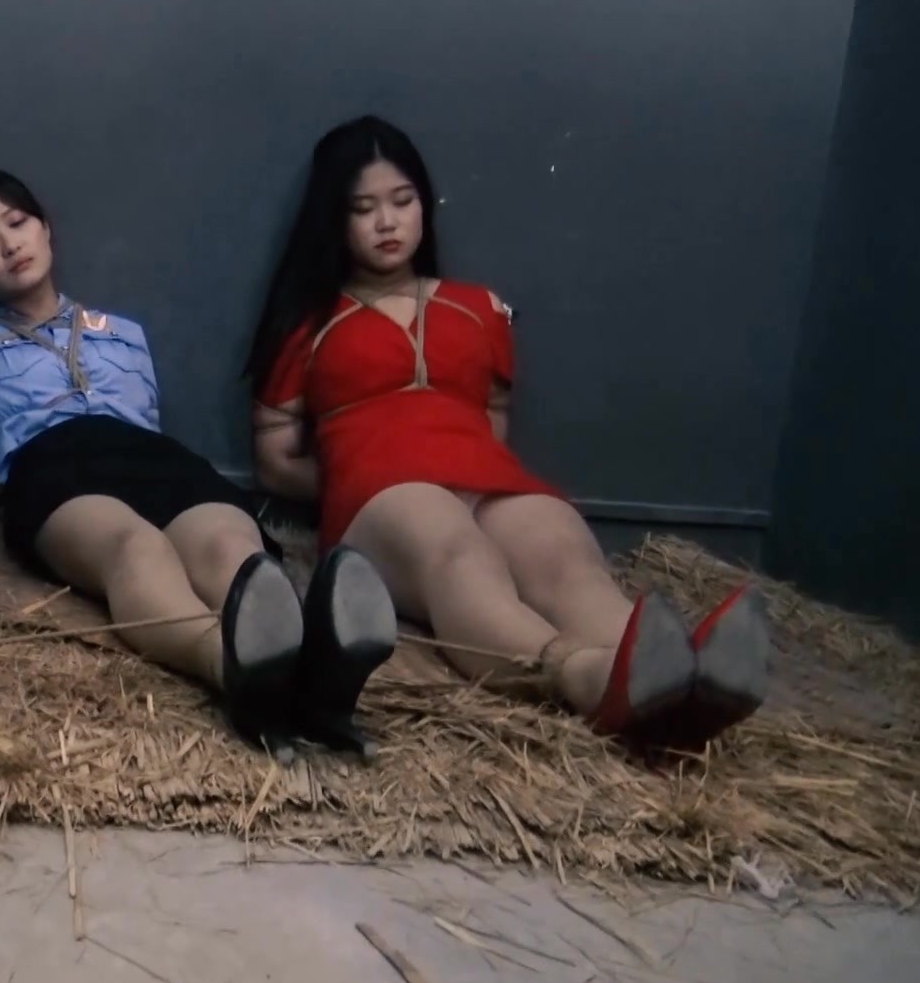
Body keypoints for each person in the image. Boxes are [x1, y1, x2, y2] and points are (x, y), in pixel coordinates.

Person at [245, 117, 771, 746]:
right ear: (333, 219)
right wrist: (352, 475)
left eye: (402, 201)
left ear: (424, 205)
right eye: (363, 209)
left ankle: (675, 675)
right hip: (381, 494)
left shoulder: (480, 309)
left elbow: (494, 424)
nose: (387, 222)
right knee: (455, 550)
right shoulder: (307, 324)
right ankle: (584, 676)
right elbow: (275, 458)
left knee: (564, 555)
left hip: (485, 476)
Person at [0, 167, 398, 761]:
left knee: (233, 548)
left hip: (151, 456)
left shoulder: (123, 333)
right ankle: (235, 669)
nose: (9, 245)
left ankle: (315, 673)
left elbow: (145, 418)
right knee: (135, 547)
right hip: (53, 464)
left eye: (17, 223)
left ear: (45, 229)